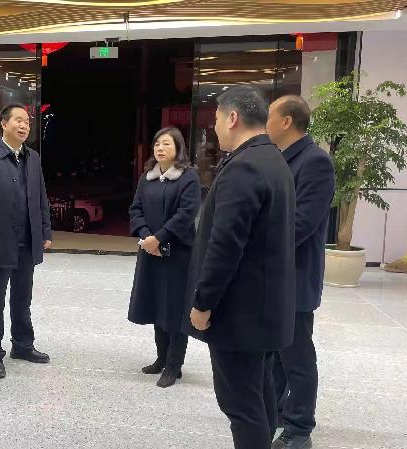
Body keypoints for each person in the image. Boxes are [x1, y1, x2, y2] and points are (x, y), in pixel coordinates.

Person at [185, 86, 296, 449]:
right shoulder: (273, 159)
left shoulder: (244, 167)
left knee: (241, 406)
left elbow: (225, 246)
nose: (215, 127)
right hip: (264, 309)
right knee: (260, 396)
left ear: (232, 118)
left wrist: (203, 303)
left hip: (240, 313)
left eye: (217, 119)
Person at [266, 95, 335, 449]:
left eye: (270, 116)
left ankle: (300, 427)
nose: (265, 123)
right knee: (277, 352)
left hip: (295, 276)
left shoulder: (315, 161)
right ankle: (278, 413)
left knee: (297, 356)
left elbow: (301, 224)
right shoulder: (279, 158)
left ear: (286, 121)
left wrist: (253, 240)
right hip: (273, 275)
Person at [0, 103, 53, 379]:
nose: (24, 125)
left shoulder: (34, 157)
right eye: (18, 120)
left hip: (27, 240)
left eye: (27, 121)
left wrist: (45, 231)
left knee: (22, 296)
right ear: (4, 124)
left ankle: (23, 345)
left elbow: (41, 197)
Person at [127, 127, 201, 388]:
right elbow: (135, 209)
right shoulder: (147, 177)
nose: (160, 148)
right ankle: (161, 358)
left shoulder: (188, 177)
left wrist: (159, 238)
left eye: (166, 144)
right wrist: (146, 236)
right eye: (157, 143)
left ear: (178, 148)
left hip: (178, 254)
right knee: (157, 304)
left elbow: (186, 213)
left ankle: (173, 365)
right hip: (151, 251)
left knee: (176, 309)